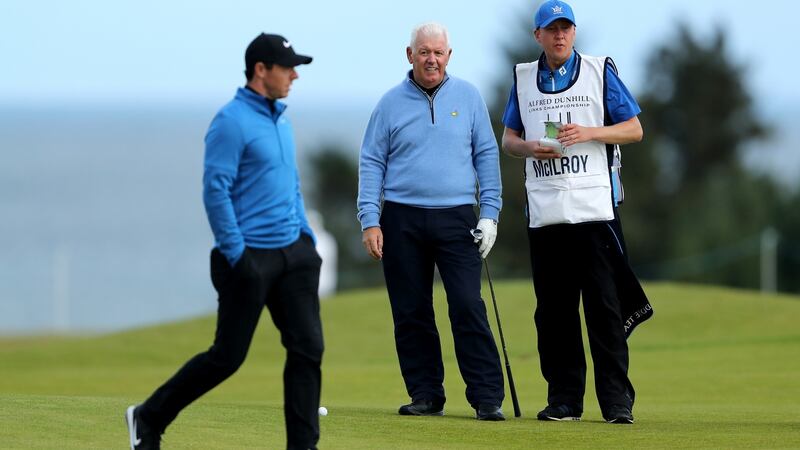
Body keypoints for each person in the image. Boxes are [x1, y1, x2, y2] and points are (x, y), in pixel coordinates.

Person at [125, 33, 324, 449]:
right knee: (227, 358)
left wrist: (305, 236)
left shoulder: (280, 117)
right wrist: (238, 254)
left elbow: (291, 183)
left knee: (307, 349)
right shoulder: (230, 121)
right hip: (249, 256)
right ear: (260, 70)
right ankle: (149, 416)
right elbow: (215, 190)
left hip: (294, 253)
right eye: (287, 68)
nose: (294, 76)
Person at [501, 0, 653, 424]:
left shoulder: (598, 69)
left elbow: (634, 128)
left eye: (566, 28)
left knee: (604, 309)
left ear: (574, 32)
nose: (560, 35)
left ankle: (616, 403)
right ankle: (564, 400)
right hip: (547, 213)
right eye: (552, 29)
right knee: (553, 312)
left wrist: (590, 132)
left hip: (594, 210)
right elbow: (509, 139)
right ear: (538, 36)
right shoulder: (524, 78)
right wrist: (528, 147)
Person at [357, 21, 506, 421]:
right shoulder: (389, 103)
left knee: (466, 304)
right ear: (410, 55)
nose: (431, 59)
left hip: (457, 216)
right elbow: (372, 161)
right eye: (424, 51)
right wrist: (370, 220)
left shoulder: (469, 98)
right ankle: (426, 394)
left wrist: (490, 214)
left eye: (438, 52)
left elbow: (486, 157)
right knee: (411, 310)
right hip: (401, 217)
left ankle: (487, 397)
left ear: (449, 56)